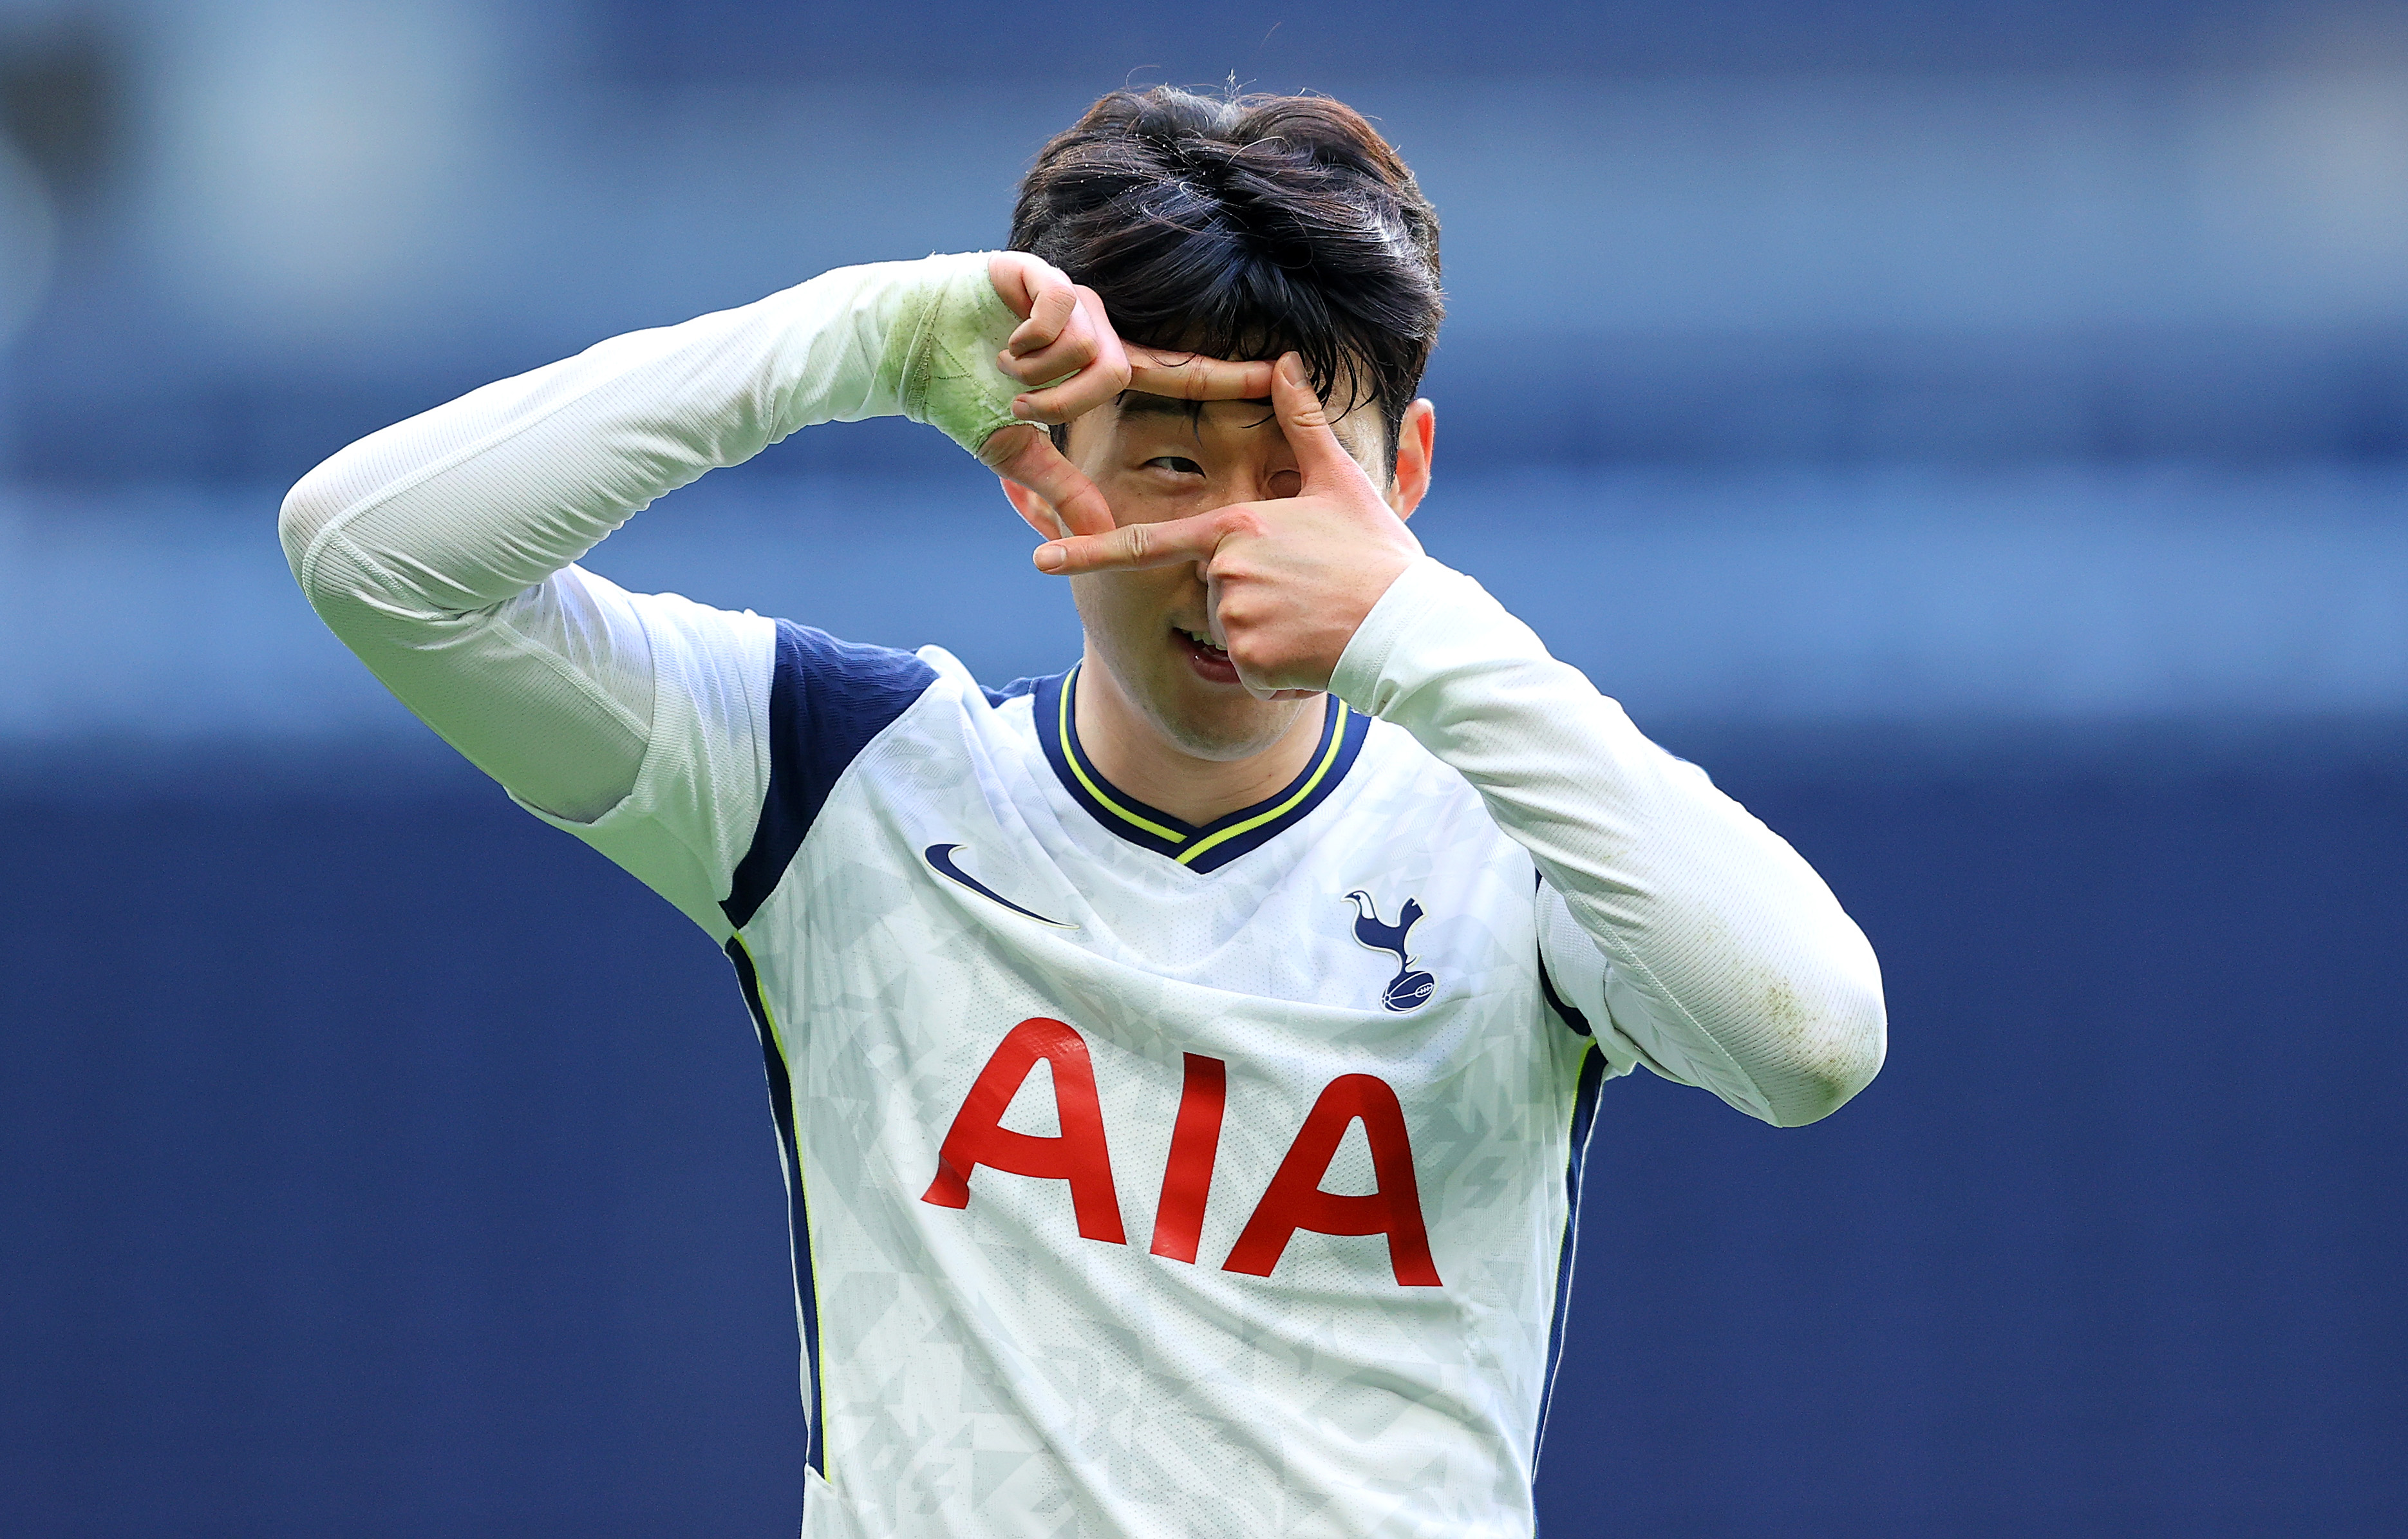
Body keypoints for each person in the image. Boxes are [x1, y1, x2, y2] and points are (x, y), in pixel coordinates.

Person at [282, 85, 1885, 1539]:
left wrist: (1413, 628)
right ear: (1039, 464)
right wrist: (855, 338)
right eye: (1175, 464)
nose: (1231, 550)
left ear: (1406, 476)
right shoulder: (837, 782)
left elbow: (1812, 1034)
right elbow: (369, 555)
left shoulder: (1515, 847)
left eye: (1300, 476)